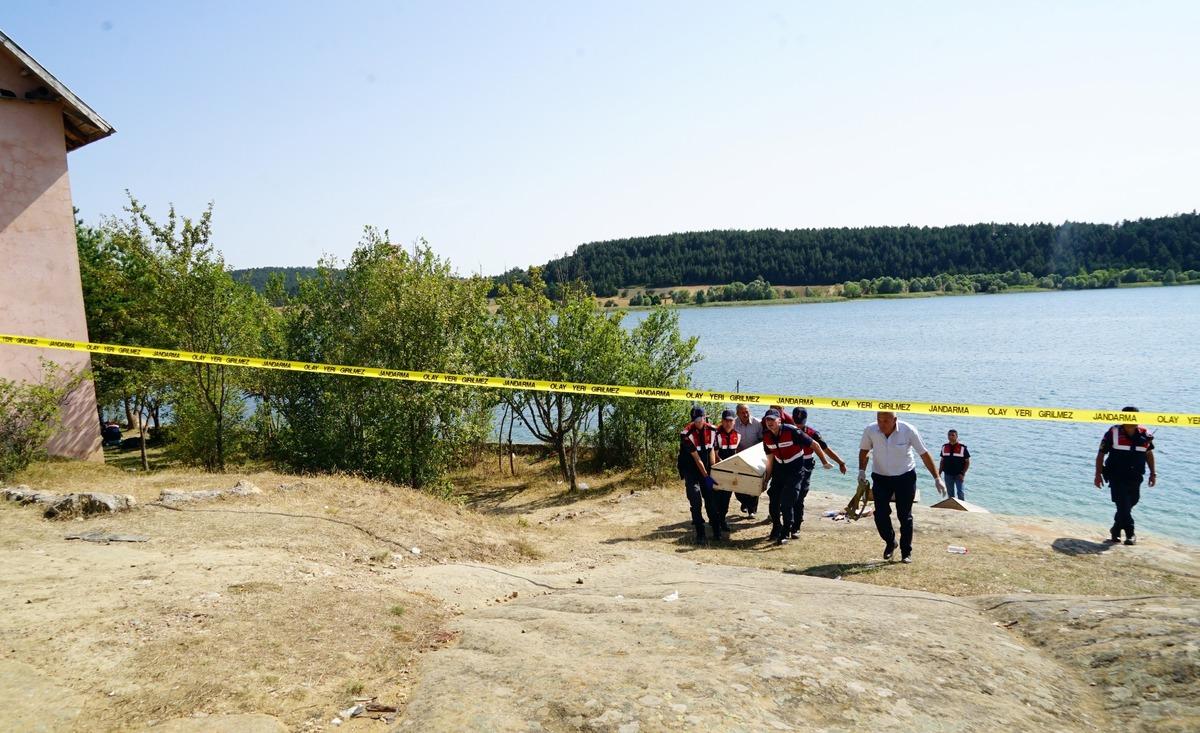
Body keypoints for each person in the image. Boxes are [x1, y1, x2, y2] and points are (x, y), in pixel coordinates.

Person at [858, 412, 946, 563]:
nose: (882, 424)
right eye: (879, 420)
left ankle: (906, 552)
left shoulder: (908, 430)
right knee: (880, 514)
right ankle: (890, 542)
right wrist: (861, 471)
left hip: (905, 477)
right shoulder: (870, 430)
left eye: (886, 421)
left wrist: (937, 478)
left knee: (904, 516)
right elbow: (864, 451)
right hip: (880, 478)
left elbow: (924, 454)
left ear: (895, 420)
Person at [761, 409, 833, 545]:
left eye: (772, 420)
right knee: (773, 499)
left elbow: (815, 444)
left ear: (779, 421)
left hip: (796, 469)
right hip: (779, 469)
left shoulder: (792, 431)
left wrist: (824, 462)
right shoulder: (766, 436)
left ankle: (785, 533)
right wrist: (766, 479)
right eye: (767, 420)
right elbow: (770, 460)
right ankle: (776, 527)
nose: (769, 423)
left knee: (787, 503)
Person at [1094, 407, 1157, 546]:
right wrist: (1097, 475)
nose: (1133, 421)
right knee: (1123, 504)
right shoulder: (1113, 432)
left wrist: (1153, 473)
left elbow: (1149, 454)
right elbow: (1101, 454)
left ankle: (1115, 529)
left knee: (1132, 502)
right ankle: (1130, 533)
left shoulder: (1145, 433)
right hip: (1116, 475)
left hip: (1136, 476)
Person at [789, 408, 847, 537]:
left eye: (801, 422)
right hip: (789, 465)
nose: (798, 424)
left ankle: (796, 526)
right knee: (788, 495)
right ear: (792, 418)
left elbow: (825, 449)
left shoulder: (812, 433)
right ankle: (787, 523)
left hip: (806, 465)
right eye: (796, 421)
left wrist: (840, 462)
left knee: (800, 496)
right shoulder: (786, 430)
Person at [678, 406, 719, 545]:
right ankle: (700, 532)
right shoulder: (686, 434)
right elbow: (696, 458)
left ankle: (716, 529)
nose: (698, 422)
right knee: (695, 499)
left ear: (705, 417)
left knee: (711, 499)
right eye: (695, 420)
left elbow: (712, 450)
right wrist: (707, 476)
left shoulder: (713, 430)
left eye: (700, 419)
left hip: (706, 466)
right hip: (691, 469)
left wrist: (712, 471)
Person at [710, 409, 741, 535]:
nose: (728, 423)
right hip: (715, 471)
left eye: (730, 421)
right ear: (722, 421)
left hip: (729, 471)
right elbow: (715, 455)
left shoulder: (738, 435)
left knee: (726, 498)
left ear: (734, 422)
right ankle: (714, 520)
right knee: (714, 497)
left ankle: (722, 520)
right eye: (725, 421)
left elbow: (736, 454)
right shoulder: (715, 435)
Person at [731, 403, 763, 518]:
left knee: (754, 484)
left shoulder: (757, 423)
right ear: (737, 413)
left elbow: (761, 440)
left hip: (754, 457)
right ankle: (744, 502)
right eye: (742, 412)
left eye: (747, 412)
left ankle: (752, 510)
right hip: (738, 458)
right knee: (737, 485)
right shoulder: (733, 424)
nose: (745, 414)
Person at [938, 430, 970, 500]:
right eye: (949, 435)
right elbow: (942, 461)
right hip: (948, 474)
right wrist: (939, 473)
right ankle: (952, 509)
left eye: (953, 435)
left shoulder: (962, 447)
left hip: (959, 475)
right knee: (950, 493)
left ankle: (962, 509)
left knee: (960, 492)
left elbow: (967, 462)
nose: (950, 437)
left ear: (956, 436)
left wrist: (963, 473)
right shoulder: (944, 447)